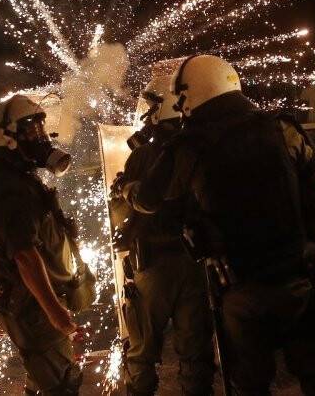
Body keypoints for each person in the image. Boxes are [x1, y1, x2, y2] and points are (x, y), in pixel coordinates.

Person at [122, 54, 315, 396]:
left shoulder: (187, 146)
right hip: (301, 278)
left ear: (191, 93)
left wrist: (127, 187)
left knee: (250, 387)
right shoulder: (279, 128)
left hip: (242, 291)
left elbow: (148, 202)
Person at [112, 74, 215, 395]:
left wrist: (121, 191)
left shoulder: (143, 156)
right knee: (196, 352)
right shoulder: (198, 150)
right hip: (194, 263)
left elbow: (124, 215)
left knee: (142, 353)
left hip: (152, 266)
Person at [0, 94, 81, 396]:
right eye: (31, 131)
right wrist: (56, 314)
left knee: (42, 384)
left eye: (40, 128)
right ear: (7, 137)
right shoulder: (10, 189)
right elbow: (24, 256)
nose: (41, 137)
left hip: (34, 307)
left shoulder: (18, 180)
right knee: (61, 386)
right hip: (33, 309)